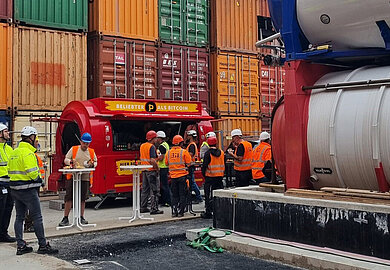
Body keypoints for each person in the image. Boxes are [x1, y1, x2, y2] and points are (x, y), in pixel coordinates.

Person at [8, 126, 58, 255]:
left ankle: (20, 246)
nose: (36, 140)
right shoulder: (28, 153)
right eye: (35, 137)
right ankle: (42, 245)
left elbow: (10, 170)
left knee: (19, 217)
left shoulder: (14, 152)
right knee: (37, 217)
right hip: (28, 190)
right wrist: (39, 180)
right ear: (31, 137)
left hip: (15, 189)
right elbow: (32, 173)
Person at [59, 132, 97, 227]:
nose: (85, 145)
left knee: (82, 198)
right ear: (81, 141)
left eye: (87, 143)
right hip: (73, 176)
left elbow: (95, 162)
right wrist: (71, 162)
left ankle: (81, 217)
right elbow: (66, 159)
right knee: (69, 197)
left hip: (84, 177)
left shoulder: (91, 152)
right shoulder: (74, 149)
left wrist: (92, 164)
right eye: (84, 143)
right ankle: (65, 218)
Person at [166, 135, 192, 217]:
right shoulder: (184, 152)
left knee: (174, 195)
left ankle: (174, 211)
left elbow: (166, 163)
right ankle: (181, 212)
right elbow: (189, 163)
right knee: (182, 194)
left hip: (173, 177)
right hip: (182, 176)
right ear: (180, 143)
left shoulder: (168, 152)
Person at [24, 136, 45, 233]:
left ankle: (30, 224)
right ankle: (28, 225)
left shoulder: (35, 155)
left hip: (36, 183)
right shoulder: (30, 155)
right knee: (30, 207)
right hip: (31, 184)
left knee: (32, 207)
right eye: (36, 141)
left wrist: (42, 183)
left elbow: (40, 170)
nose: (37, 143)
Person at [140, 130, 163, 215]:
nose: (157, 139)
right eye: (156, 138)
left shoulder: (142, 146)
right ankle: (154, 209)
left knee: (145, 190)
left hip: (144, 170)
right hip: (151, 171)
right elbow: (152, 160)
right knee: (154, 190)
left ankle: (143, 207)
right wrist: (157, 169)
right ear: (153, 138)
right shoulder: (152, 147)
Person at [201, 136, 224, 219]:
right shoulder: (221, 152)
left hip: (210, 177)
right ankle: (219, 210)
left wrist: (204, 174)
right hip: (219, 177)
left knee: (207, 195)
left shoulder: (208, 153)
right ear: (216, 143)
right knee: (218, 195)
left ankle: (208, 212)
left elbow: (204, 166)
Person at [0, 123, 15, 243]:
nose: (8, 133)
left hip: (9, 184)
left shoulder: (9, 149)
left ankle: (3, 234)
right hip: (0, 184)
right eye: (5, 131)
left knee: (8, 209)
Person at [186, 130, 202, 203]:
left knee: (192, 182)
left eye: (188, 135)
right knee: (192, 182)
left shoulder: (192, 145)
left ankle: (198, 197)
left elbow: (190, 155)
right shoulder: (192, 144)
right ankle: (198, 197)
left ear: (191, 136)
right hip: (191, 165)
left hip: (190, 165)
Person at [156, 131, 171, 207]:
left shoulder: (162, 146)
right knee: (165, 185)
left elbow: (161, 157)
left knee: (164, 186)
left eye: (157, 138)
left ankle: (168, 201)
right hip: (166, 167)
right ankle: (166, 200)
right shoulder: (166, 145)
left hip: (163, 167)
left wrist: (155, 160)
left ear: (160, 138)